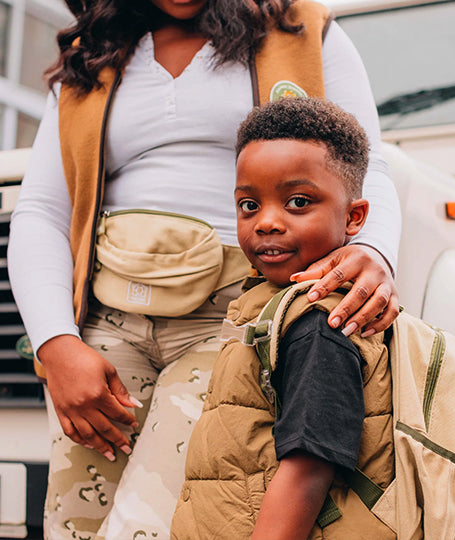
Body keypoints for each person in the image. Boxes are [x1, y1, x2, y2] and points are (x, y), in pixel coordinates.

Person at [7, 1, 400, 538]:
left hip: (234, 318)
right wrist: (56, 342)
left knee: (148, 527)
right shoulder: (89, 58)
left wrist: (374, 251)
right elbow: (43, 209)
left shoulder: (302, 29)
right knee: (73, 527)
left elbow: (366, 163)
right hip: (104, 330)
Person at [171, 97, 395, 540]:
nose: (266, 222)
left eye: (297, 202)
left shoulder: (318, 324)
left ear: (354, 218)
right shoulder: (273, 304)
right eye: (249, 205)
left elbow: (309, 467)